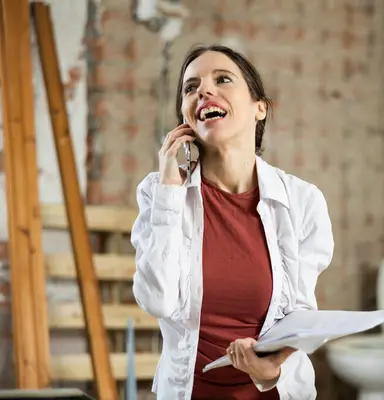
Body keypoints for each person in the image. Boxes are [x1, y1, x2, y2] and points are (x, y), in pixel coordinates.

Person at [130, 44, 335, 400]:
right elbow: (156, 301)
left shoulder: (302, 201)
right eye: (191, 87)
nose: (203, 91)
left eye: (222, 79)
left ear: (260, 108)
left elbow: (300, 312)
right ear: (185, 115)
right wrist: (168, 190)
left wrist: (273, 367)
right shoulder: (159, 192)